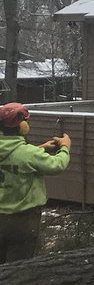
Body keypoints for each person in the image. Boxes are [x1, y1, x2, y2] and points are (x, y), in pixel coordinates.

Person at [0, 103, 72, 263]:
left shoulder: (27, 153)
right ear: (22, 127)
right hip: (22, 221)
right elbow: (57, 165)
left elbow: (15, 157)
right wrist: (65, 148)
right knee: (17, 271)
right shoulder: (28, 154)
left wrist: (41, 149)